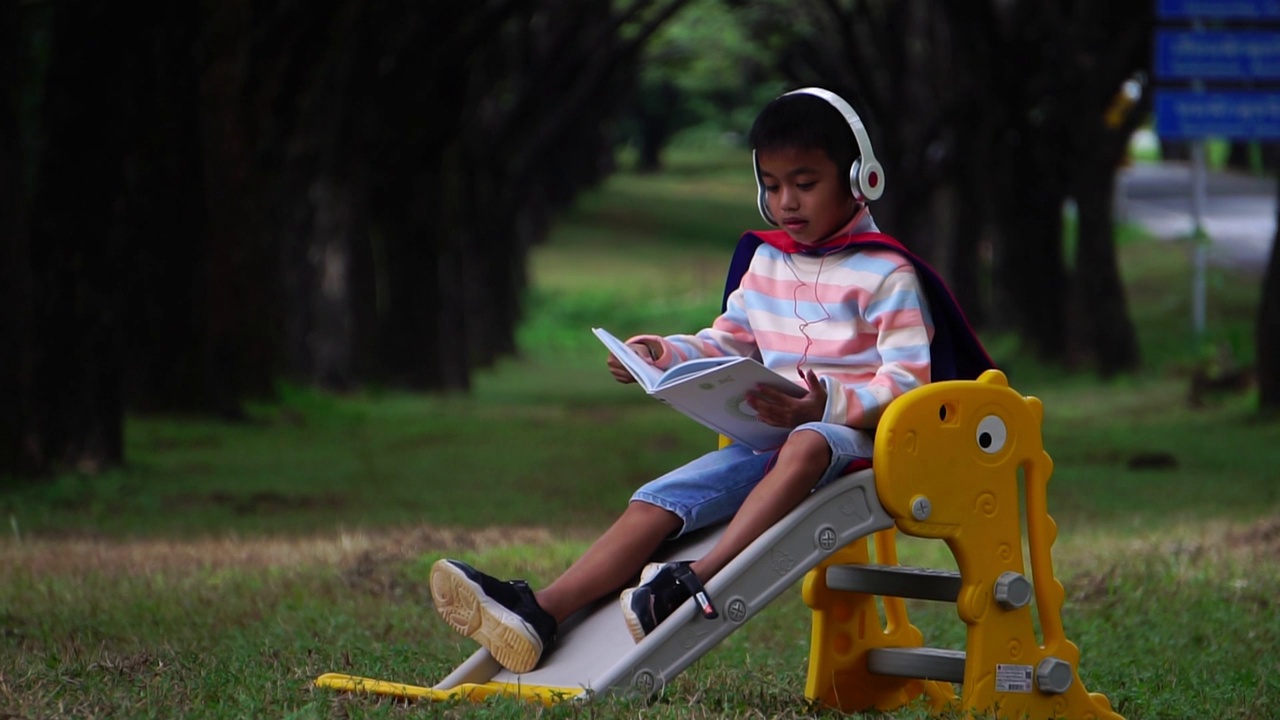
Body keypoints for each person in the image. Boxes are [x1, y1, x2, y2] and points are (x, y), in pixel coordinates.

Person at [428, 87, 987, 675]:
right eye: (772, 186)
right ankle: (540, 612)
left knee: (807, 440)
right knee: (659, 500)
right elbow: (725, 341)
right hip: (770, 438)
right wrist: (663, 354)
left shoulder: (886, 272)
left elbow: (908, 382)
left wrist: (828, 405)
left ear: (859, 179)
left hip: (860, 443)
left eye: (805, 183)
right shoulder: (768, 261)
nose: (787, 202)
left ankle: (696, 578)